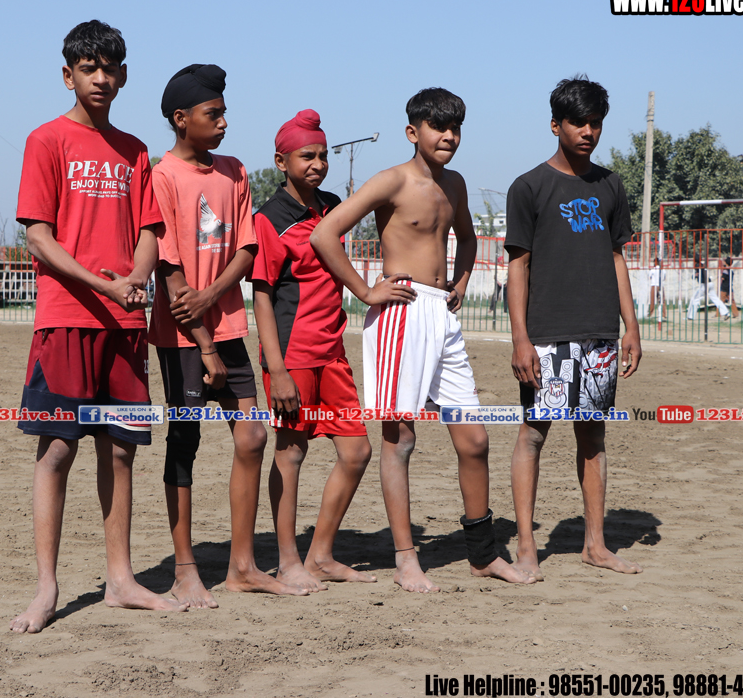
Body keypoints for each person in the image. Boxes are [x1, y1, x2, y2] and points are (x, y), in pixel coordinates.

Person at [311, 88, 534, 592]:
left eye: (455, 127)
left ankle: (483, 555)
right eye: (438, 126)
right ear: (413, 132)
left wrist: (461, 280)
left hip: (442, 315)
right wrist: (366, 291)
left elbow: (468, 237)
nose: (448, 135)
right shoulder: (392, 180)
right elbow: (324, 234)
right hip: (400, 312)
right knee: (401, 438)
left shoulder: (455, 184)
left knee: (474, 439)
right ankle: (406, 558)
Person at [9, 20, 185, 635]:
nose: (100, 78)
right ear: (69, 75)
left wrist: (135, 277)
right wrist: (102, 284)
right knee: (57, 449)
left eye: (110, 68)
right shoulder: (46, 140)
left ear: (124, 75)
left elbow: (150, 230)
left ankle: (121, 580)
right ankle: (46, 587)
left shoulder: (135, 150)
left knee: (120, 450)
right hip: (66, 319)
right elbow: (38, 237)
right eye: (89, 68)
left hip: (124, 323)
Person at [150, 64, 305, 606]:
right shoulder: (162, 176)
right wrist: (205, 344)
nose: (222, 122)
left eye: (223, 113)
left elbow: (246, 248)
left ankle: (242, 566)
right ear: (181, 118)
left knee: (252, 437)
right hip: (182, 338)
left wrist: (213, 297)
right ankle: (185, 569)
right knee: (184, 441)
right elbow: (171, 272)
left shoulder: (235, 171)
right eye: (212, 114)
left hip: (229, 326)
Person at [504, 75, 643, 580]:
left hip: (600, 334)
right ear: (555, 125)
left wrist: (631, 326)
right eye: (578, 122)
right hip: (546, 336)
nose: (588, 131)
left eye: (595, 123)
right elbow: (517, 266)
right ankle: (526, 548)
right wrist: (521, 339)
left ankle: (595, 545)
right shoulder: (529, 187)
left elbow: (616, 257)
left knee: (594, 437)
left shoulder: (611, 185)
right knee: (533, 435)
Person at [251, 110, 374, 593]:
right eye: (307, 156)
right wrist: (277, 369)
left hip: (333, 354)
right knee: (291, 452)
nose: (318, 164)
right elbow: (262, 296)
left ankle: (320, 555)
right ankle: (288, 562)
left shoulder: (333, 207)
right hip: (293, 356)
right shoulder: (268, 218)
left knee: (357, 451)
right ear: (281, 161)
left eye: (323, 155)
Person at [686, 252, 729, 321]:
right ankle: (726, 312)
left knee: (694, 299)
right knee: (715, 299)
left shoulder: (697, 265)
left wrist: (694, 276)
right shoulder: (702, 264)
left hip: (704, 285)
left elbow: (697, 274)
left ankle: (691, 316)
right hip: (710, 283)